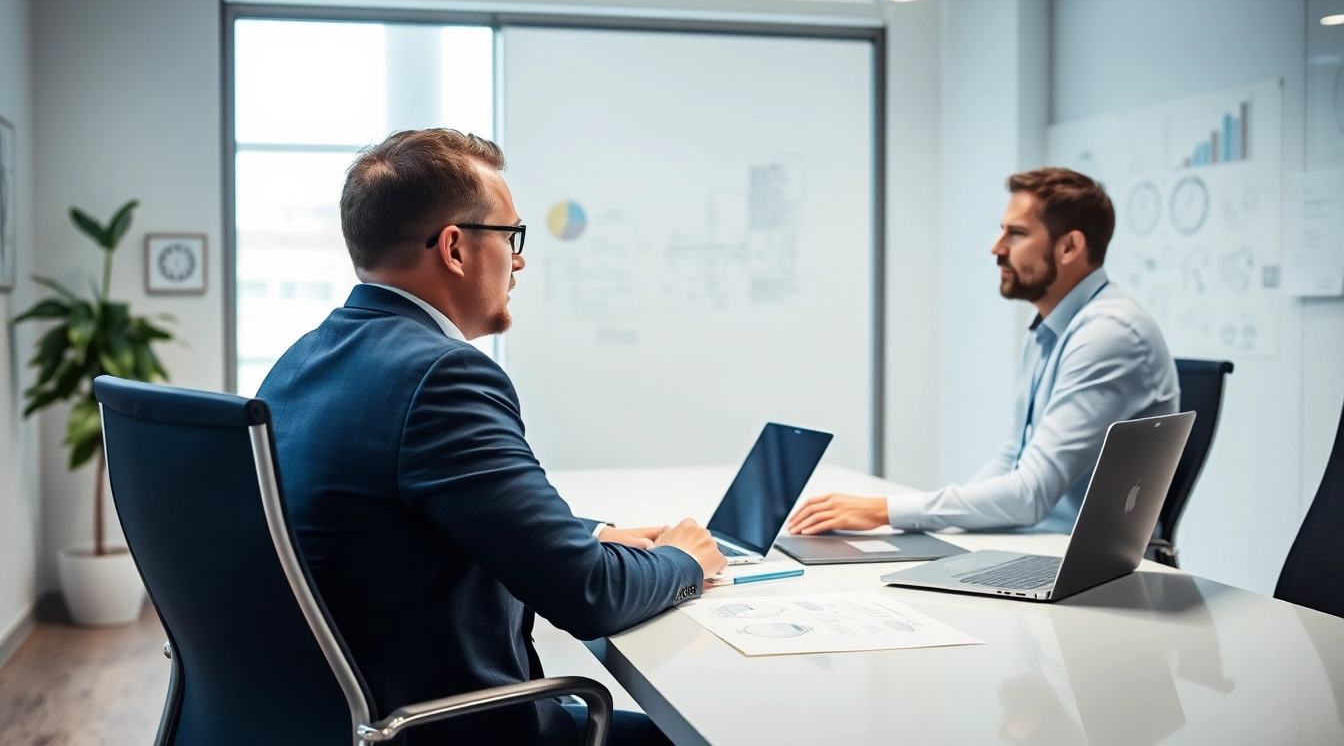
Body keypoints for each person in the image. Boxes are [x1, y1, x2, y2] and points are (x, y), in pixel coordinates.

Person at [257, 128, 726, 746]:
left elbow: (393, 516)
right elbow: (589, 595)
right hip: (447, 729)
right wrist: (684, 561)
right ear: (454, 247)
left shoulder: (302, 358)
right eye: (511, 237)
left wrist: (584, 534)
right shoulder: (443, 375)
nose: (520, 259)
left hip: (324, 722)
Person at [788, 167, 1178, 535]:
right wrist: (947, 531)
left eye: (1017, 234)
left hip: (1084, 572)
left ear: (1069, 247)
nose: (997, 248)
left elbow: (1031, 494)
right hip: (1034, 547)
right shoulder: (1050, 329)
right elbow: (1012, 458)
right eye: (1001, 231)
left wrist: (884, 511)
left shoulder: (1109, 335)